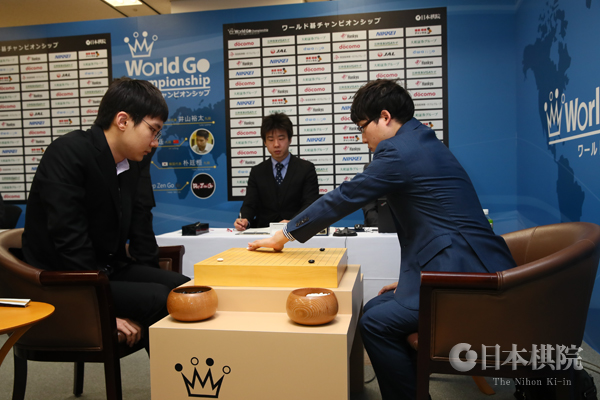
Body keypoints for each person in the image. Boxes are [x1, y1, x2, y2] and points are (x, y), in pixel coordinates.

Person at [247, 79, 517, 399]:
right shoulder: (421, 140)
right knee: (376, 305)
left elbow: (345, 196)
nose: (363, 139)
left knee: (375, 322)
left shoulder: (399, 150)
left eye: (363, 127)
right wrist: (415, 279)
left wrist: (284, 235)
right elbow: (436, 227)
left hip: (466, 280)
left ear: (385, 117)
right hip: (465, 267)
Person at [22, 77, 190, 349]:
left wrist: (150, 276)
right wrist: (100, 311)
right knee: (160, 299)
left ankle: (183, 374)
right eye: (153, 130)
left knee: (185, 289)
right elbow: (69, 239)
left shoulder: (131, 164)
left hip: (107, 269)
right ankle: (170, 376)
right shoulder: (68, 153)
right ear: (123, 121)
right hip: (64, 280)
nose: (155, 143)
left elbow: (141, 226)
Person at [234, 113, 319, 230]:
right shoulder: (257, 172)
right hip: (264, 232)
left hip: (296, 232)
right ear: (264, 142)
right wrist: (244, 220)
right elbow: (250, 204)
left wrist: (293, 222)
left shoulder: (306, 169)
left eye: (281, 138)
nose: (276, 144)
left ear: (290, 139)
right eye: (270, 139)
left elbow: (310, 204)